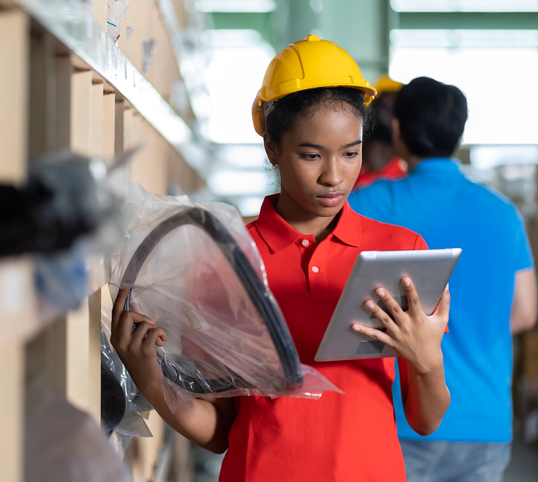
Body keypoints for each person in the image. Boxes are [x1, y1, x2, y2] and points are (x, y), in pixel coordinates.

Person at [111, 36, 451, 481]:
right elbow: (222, 429)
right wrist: (155, 387)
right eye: (311, 155)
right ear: (272, 147)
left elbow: (426, 420)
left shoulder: (400, 251)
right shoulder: (228, 257)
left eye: (351, 153)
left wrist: (427, 359)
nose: (334, 176)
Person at [349, 76, 537, 482]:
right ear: (459, 132)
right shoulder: (503, 212)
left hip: (404, 417)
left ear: (398, 128)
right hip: (484, 420)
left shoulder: (369, 203)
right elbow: (525, 312)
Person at [353, 75, 408, 189]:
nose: (387, 105)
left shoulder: (401, 180)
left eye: (394, 104)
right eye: (383, 101)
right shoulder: (346, 161)